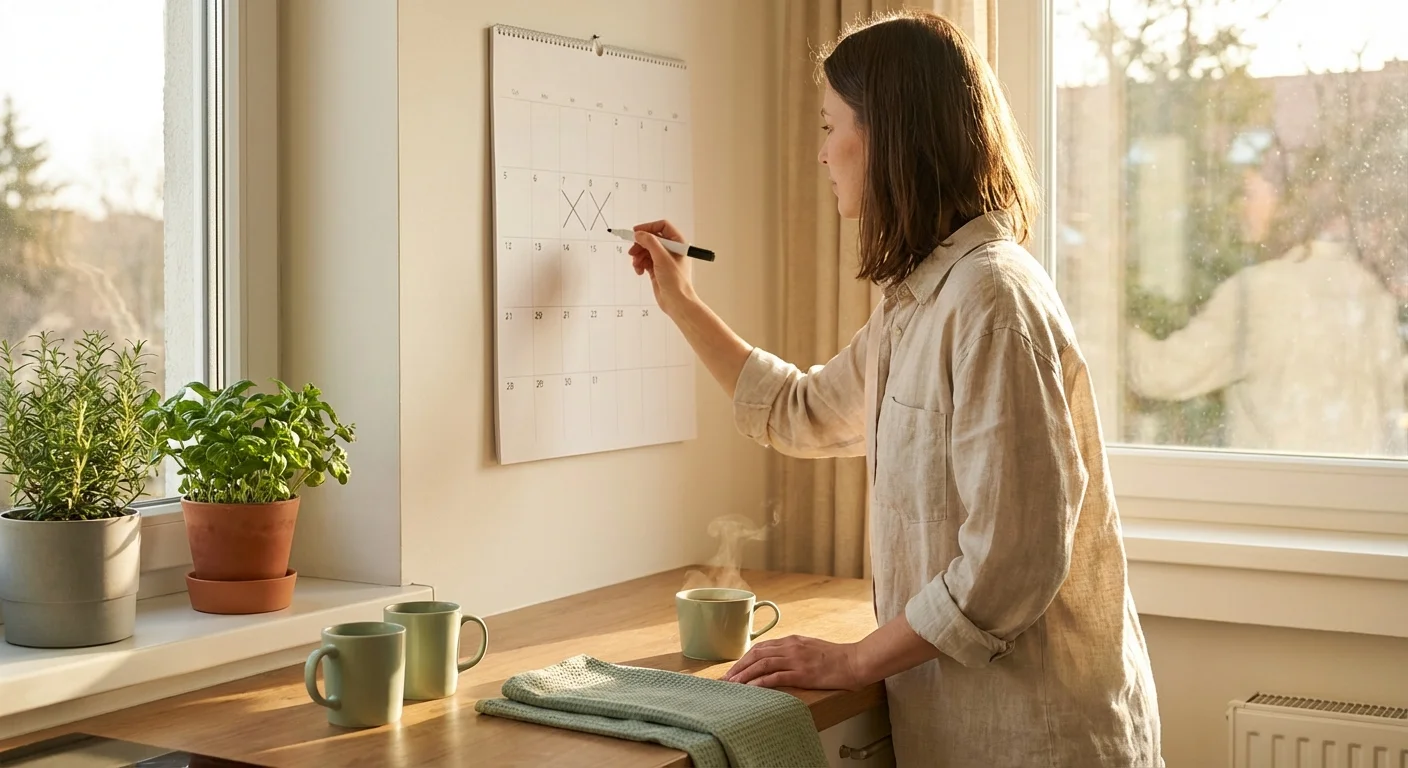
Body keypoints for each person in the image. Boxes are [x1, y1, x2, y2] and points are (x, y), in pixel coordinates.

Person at [627, 9, 1162, 767]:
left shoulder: (990, 300)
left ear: (887, 136)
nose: (821, 154)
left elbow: (1007, 564)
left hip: (1038, 740)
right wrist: (681, 302)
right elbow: (799, 412)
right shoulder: (919, 302)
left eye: (829, 125)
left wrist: (852, 661)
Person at [1127, 169, 1406, 456]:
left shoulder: (1258, 292)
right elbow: (1393, 423)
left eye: (1250, 194)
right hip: (1355, 495)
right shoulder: (1370, 292)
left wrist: (1108, 325)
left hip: (1273, 494)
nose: (1240, 207)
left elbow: (1158, 374)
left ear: (1286, 204)